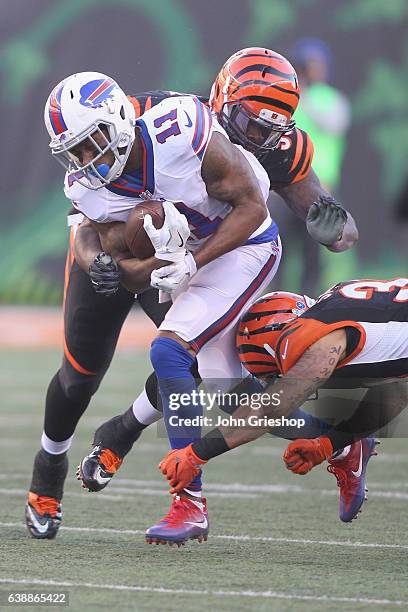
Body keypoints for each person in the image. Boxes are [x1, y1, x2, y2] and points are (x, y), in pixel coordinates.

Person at [26, 48, 358, 541]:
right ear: (223, 99)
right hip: (141, 256)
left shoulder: (244, 140)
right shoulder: (159, 129)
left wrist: (335, 225)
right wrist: (112, 264)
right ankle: (50, 470)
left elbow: (322, 218)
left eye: (271, 127)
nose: (259, 135)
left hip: (216, 251)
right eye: (248, 120)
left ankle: (160, 467)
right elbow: (90, 234)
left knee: (201, 371)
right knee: (82, 374)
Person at [158, 278, 408, 523]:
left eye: (275, 376)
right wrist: (329, 444)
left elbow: (271, 408)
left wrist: (196, 453)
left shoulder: (310, 336)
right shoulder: (339, 300)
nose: (278, 379)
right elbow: (395, 391)